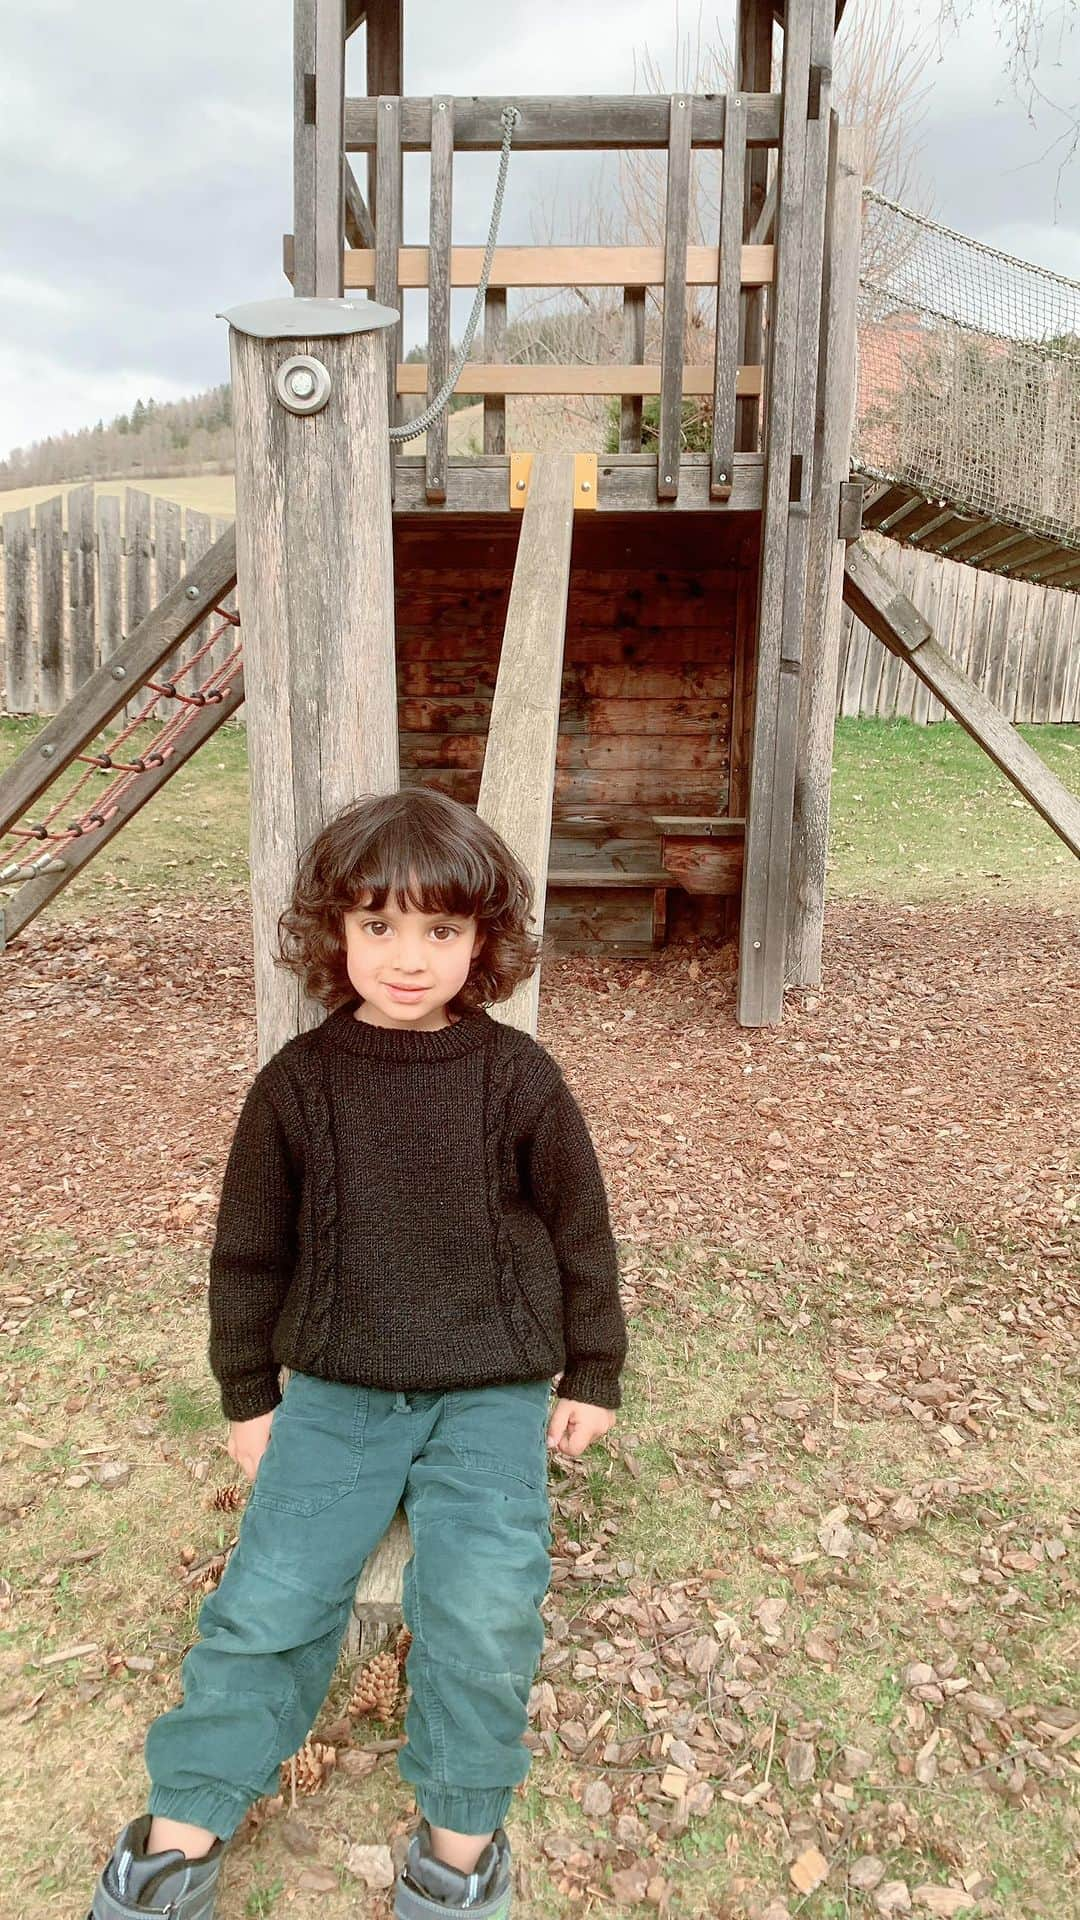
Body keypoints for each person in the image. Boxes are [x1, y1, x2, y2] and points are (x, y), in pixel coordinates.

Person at [87, 786, 629, 1920]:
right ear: (335, 932)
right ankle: (177, 1837)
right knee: (270, 1602)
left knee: (484, 1608)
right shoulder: (296, 1086)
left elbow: (582, 1231)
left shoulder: (519, 1079)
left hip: (487, 1391)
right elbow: (247, 1258)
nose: (409, 956)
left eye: (441, 929)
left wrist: (593, 1371)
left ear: (483, 941)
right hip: (334, 1392)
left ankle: (459, 1847)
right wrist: (248, 1397)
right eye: (379, 925)